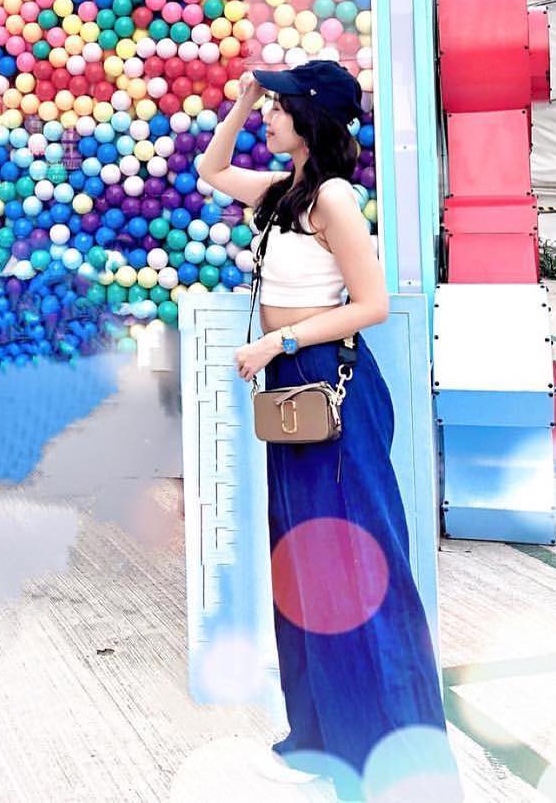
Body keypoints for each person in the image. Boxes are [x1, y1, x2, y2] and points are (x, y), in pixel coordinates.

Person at [197, 60, 458, 800]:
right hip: (292, 389)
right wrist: (242, 101)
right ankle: (322, 737)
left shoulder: (335, 197)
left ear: (311, 116)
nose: (270, 117)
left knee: (359, 564)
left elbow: (371, 303)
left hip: (330, 384)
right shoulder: (286, 192)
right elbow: (211, 169)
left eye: (279, 107)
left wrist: (277, 342)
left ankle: (397, 753)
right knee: (304, 565)